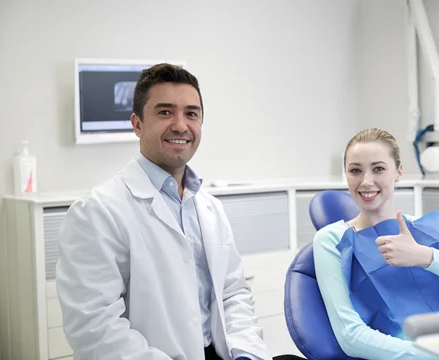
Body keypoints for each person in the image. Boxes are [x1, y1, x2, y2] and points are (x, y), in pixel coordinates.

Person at [56, 63, 303, 360]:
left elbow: (233, 293)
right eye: (164, 112)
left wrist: (246, 353)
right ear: (137, 124)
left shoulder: (210, 208)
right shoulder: (97, 212)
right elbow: (95, 329)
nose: (181, 125)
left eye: (191, 113)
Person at [313, 128, 439, 360]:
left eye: (379, 169)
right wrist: (437, 355)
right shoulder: (331, 240)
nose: (366, 181)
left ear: (399, 172)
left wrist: (426, 257)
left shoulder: (427, 228)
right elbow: (351, 336)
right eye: (355, 171)